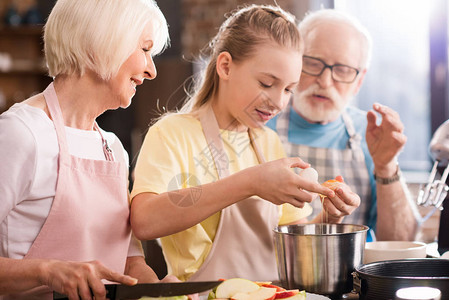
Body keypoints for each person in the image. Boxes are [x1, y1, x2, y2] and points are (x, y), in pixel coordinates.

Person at [130, 4, 360, 283]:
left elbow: (291, 239)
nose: (278, 102)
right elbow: (144, 220)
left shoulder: (268, 142)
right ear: (225, 66)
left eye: (288, 89)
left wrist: (328, 217)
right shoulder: (173, 134)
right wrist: (250, 182)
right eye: (266, 83)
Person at [0, 0, 175, 299]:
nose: (151, 71)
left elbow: (129, 262)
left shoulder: (112, 148)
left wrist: (156, 290)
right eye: (145, 50)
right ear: (101, 42)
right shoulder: (20, 134)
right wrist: (47, 271)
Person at [267, 9, 419, 242]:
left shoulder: (372, 135)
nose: (325, 81)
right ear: (294, 61)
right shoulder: (262, 125)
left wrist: (387, 166)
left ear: (359, 80)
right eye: (313, 63)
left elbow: (401, 243)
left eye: (343, 70)